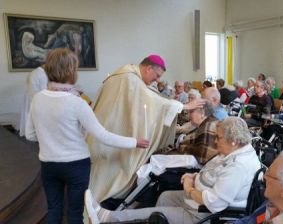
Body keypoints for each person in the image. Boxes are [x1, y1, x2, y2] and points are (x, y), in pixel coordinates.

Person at [24, 48, 149, 224]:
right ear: (71, 71)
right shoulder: (76, 103)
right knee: (75, 213)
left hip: (48, 165)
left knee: (53, 210)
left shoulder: (37, 99)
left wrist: (51, 138)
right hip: (76, 166)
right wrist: (134, 142)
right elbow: (102, 135)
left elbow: (30, 134)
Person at [85, 117, 261, 224]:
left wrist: (190, 189)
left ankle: (107, 218)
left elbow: (215, 204)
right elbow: (211, 171)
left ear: (233, 141)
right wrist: (193, 176)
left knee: (155, 213)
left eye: (219, 138)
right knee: (165, 196)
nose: (215, 141)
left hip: (202, 213)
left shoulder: (238, 165)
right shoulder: (232, 151)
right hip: (198, 198)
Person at [87, 55, 204, 202]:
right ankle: (97, 204)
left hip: (110, 131)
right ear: (149, 68)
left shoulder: (125, 76)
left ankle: (95, 201)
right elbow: (153, 101)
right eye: (157, 75)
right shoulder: (130, 80)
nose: (157, 80)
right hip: (112, 134)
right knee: (108, 176)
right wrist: (184, 106)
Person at [19, 66, 48, 137]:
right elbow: (44, 90)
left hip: (29, 96)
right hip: (37, 97)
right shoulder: (42, 74)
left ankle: (29, 131)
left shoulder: (34, 72)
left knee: (28, 114)